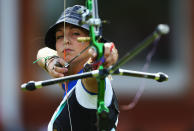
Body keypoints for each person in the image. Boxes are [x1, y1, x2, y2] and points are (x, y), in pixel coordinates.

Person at [36, 5, 119, 131]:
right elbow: (42, 52)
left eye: (75, 34)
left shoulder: (92, 84)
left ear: (93, 41)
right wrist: (51, 61)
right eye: (59, 36)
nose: (65, 41)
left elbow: (92, 74)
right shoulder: (68, 78)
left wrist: (102, 57)